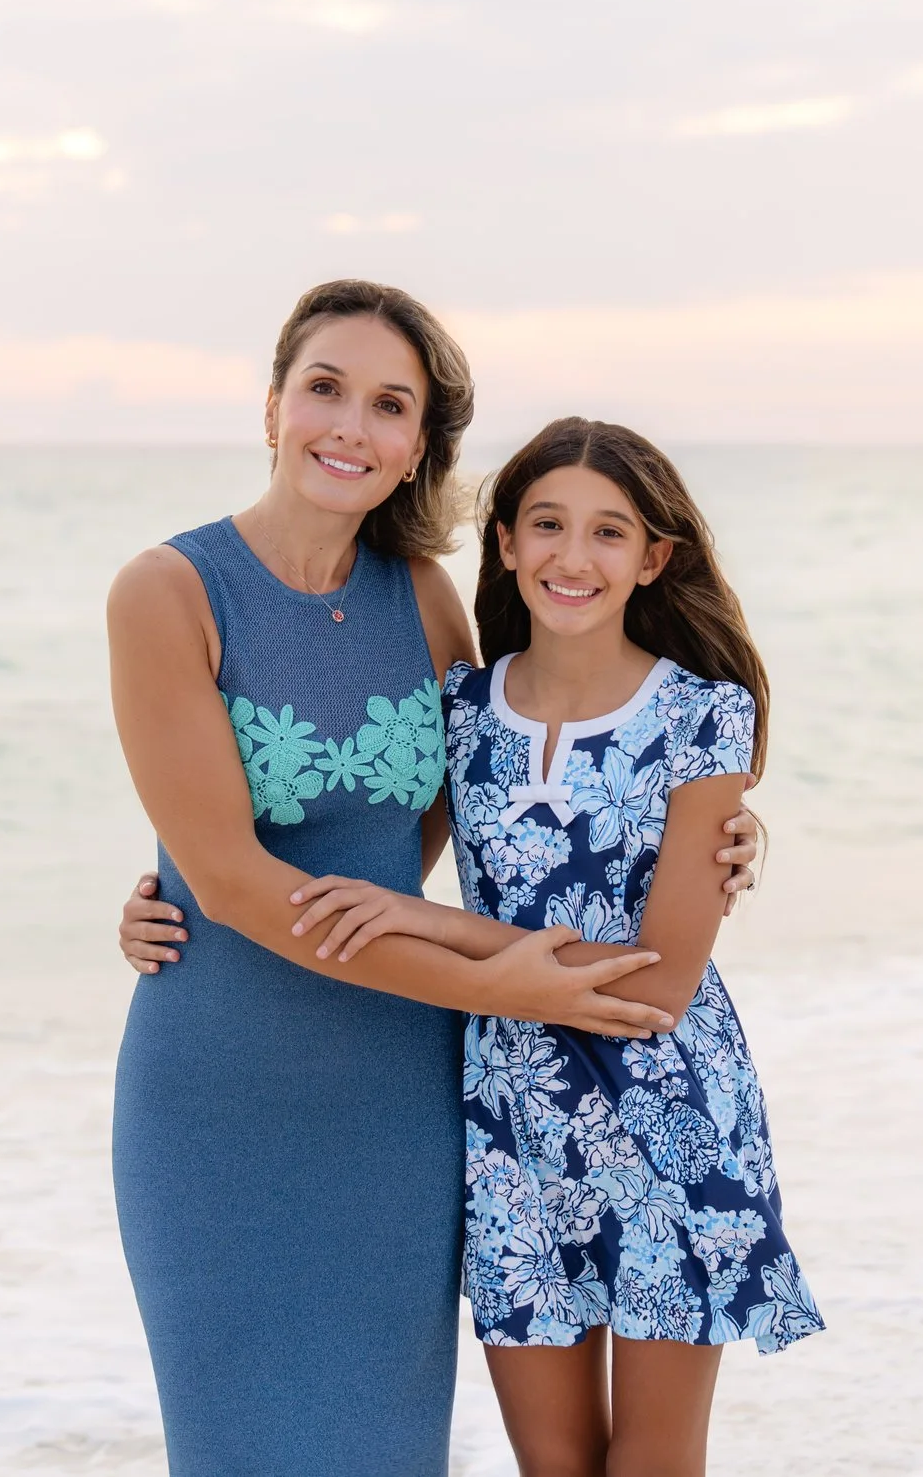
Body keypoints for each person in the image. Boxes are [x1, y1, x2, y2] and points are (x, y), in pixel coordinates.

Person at [105, 284, 757, 1477]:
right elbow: (238, 879)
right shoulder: (168, 589)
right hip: (224, 1084)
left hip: (408, 1085)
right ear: (270, 406)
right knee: (238, 1445)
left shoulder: (422, 597)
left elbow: (514, 803)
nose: (349, 425)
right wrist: (172, 890)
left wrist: (717, 829)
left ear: (418, 446)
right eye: (324, 387)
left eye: (389, 403)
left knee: (391, 1446)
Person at [278, 417, 822, 1477]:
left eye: (609, 532)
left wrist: (435, 920)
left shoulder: (705, 716)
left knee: (652, 1462)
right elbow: (343, 816)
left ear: (653, 557)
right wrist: (178, 891)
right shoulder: (462, 709)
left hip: (669, 1118)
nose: (575, 556)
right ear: (507, 544)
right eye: (548, 525)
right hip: (511, 1123)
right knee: (553, 1466)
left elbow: (659, 981)